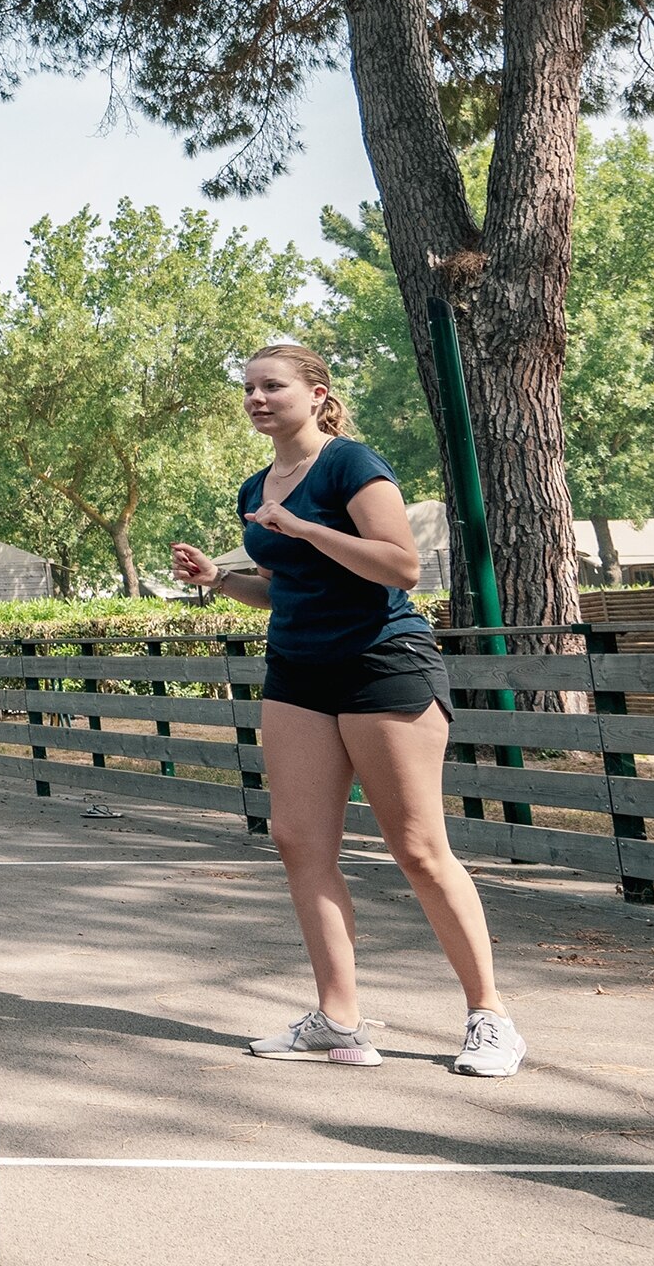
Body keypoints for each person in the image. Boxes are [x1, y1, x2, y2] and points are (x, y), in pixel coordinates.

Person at [167, 343, 525, 1078]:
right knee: (299, 840)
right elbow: (283, 589)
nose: (257, 399)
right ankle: (337, 1019)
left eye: (272, 386)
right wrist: (219, 579)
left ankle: (490, 1017)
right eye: (249, 389)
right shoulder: (255, 487)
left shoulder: (350, 465)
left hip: (383, 665)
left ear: (315, 392)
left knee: (419, 850)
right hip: (297, 673)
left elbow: (400, 565)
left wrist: (304, 529)